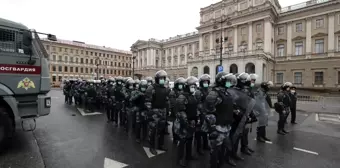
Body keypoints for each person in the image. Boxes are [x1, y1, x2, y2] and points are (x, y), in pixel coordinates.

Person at [203, 72, 234, 168]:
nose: (229, 83)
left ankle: (220, 164)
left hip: (226, 126)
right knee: (215, 150)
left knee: (223, 149)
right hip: (218, 127)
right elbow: (208, 111)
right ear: (222, 81)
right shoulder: (214, 93)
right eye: (228, 81)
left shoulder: (226, 92)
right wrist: (212, 127)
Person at [174, 76, 199, 167]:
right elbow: (181, 111)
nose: (193, 88)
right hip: (184, 123)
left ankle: (188, 156)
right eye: (191, 86)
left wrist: (196, 119)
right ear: (187, 86)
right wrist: (185, 123)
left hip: (191, 121)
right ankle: (180, 159)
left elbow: (195, 107)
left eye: (194, 86)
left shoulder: (192, 96)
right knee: (182, 141)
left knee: (189, 139)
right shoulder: (182, 96)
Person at [145, 70, 169, 155]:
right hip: (154, 112)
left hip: (162, 111)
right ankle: (152, 147)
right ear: (157, 79)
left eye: (164, 78)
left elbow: (166, 100)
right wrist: (151, 112)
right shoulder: (151, 88)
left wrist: (166, 110)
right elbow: (148, 101)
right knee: (153, 130)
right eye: (161, 78)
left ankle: (160, 145)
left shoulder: (165, 88)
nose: (162, 79)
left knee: (161, 129)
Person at [195, 74, 211, 155]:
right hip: (200, 113)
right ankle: (198, 148)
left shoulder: (208, 90)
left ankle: (205, 145)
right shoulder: (198, 92)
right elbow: (197, 104)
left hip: (206, 112)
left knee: (205, 130)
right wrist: (198, 114)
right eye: (204, 82)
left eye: (207, 82)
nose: (206, 83)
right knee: (199, 131)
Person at [170, 77, 186, 145]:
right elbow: (173, 103)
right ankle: (175, 138)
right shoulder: (173, 92)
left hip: (182, 111)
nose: (181, 86)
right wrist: (176, 112)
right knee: (175, 125)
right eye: (180, 84)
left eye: (182, 84)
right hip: (175, 111)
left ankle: (180, 136)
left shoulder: (183, 91)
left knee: (182, 125)